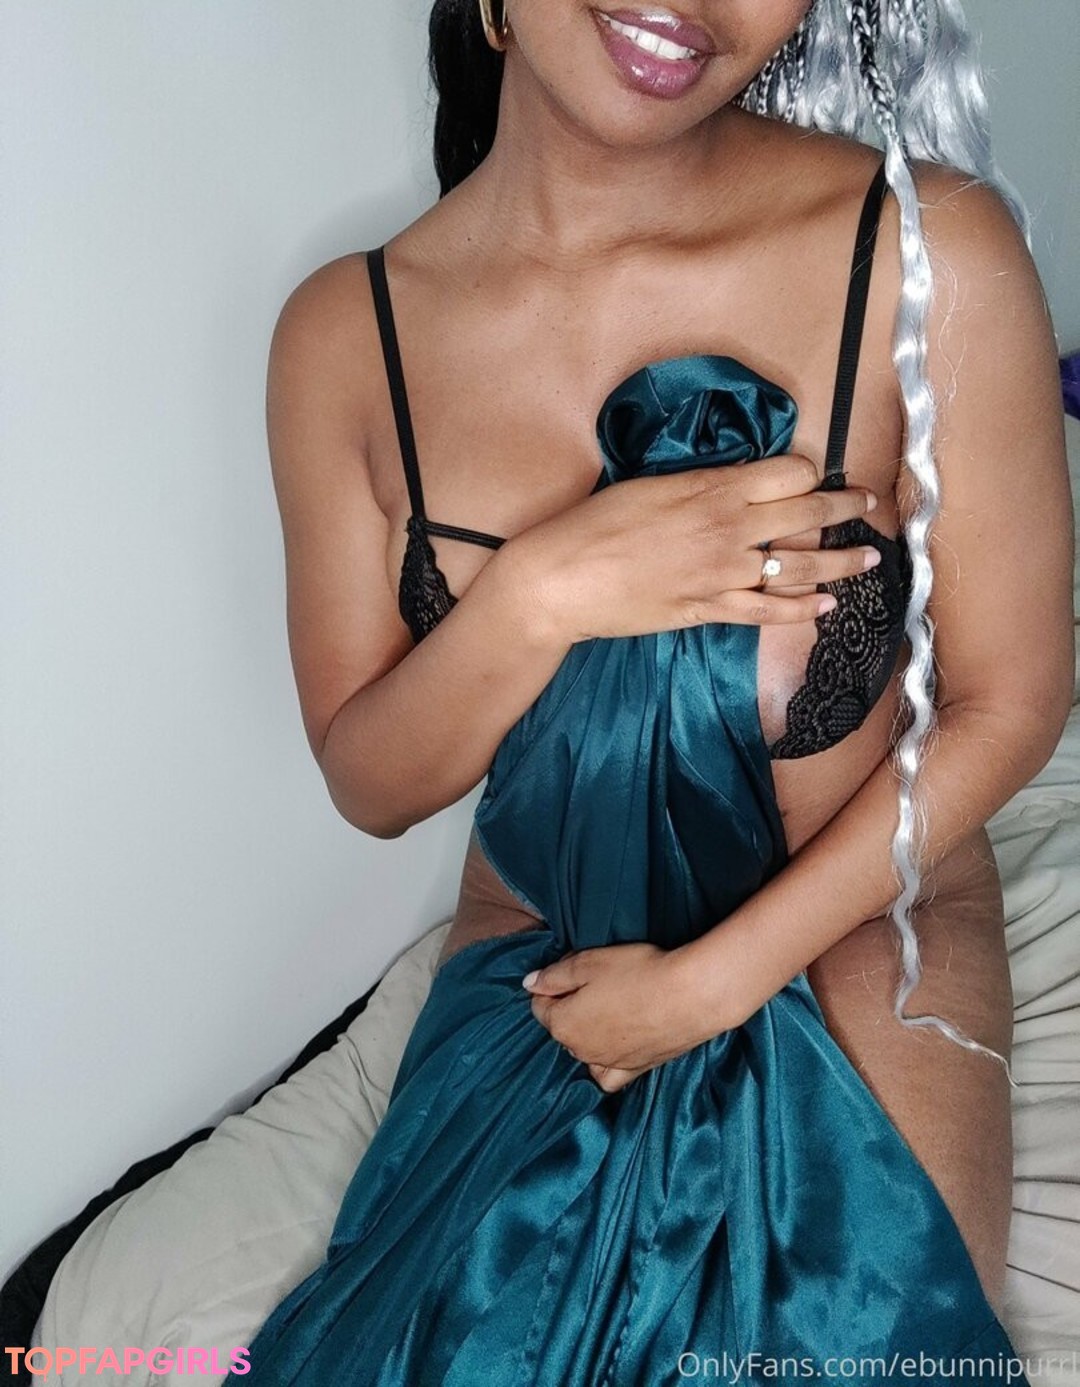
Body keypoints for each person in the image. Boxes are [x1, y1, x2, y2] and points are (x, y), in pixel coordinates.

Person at [239, 0, 1074, 1381]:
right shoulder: (346, 335)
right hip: (543, 941)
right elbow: (371, 782)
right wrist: (543, 590)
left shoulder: (928, 249)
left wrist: (708, 986)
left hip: (858, 925)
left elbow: (1011, 701)